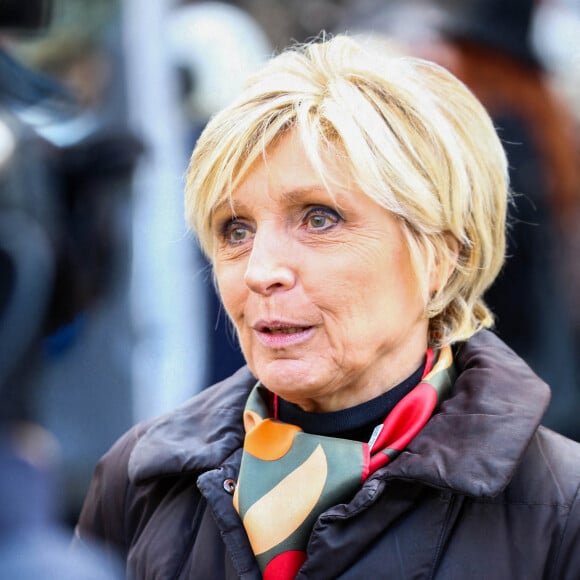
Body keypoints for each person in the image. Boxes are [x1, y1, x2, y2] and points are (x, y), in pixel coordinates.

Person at [74, 34, 580, 579]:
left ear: (441, 258)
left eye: (319, 219)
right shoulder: (140, 478)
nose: (261, 270)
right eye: (235, 229)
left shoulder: (561, 510)